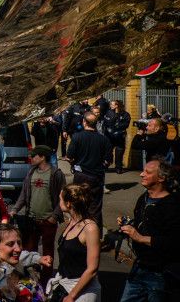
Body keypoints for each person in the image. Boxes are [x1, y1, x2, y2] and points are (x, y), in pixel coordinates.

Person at [118, 159, 180, 302]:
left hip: (160, 274)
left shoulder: (172, 206)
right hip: (139, 267)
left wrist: (139, 237)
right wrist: (130, 224)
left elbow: (174, 243)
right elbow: (145, 224)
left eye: (148, 172)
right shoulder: (144, 198)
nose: (141, 174)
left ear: (161, 178)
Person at [10, 145, 65, 286]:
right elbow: (24, 193)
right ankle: (30, 280)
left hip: (48, 220)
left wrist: (55, 216)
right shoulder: (31, 172)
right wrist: (15, 209)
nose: (31, 158)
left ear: (42, 157)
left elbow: (63, 197)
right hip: (31, 219)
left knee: (48, 251)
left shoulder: (56, 173)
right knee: (29, 250)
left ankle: (46, 281)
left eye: (34, 156)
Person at [45, 184, 101, 302]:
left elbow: (92, 269)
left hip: (82, 292)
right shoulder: (71, 222)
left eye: (60, 199)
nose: (59, 202)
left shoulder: (90, 228)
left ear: (68, 203)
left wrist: (72, 296)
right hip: (65, 285)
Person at [66, 112, 111, 227]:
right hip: (96, 176)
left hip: (81, 175)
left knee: (79, 205)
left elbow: (69, 156)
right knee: (95, 207)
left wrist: (74, 162)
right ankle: (95, 236)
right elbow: (108, 160)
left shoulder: (77, 137)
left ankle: (80, 233)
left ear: (84, 122)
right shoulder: (104, 139)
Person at [102, 100, 131, 173]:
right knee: (108, 152)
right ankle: (106, 165)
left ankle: (118, 167)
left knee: (119, 152)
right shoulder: (108, 112)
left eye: (112, 104)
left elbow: (126, 124)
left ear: (117, 105)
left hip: (120, 136)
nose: (111, 105)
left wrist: (117, 126)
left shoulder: (125, 114)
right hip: (109, 136)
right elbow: (105, 123)